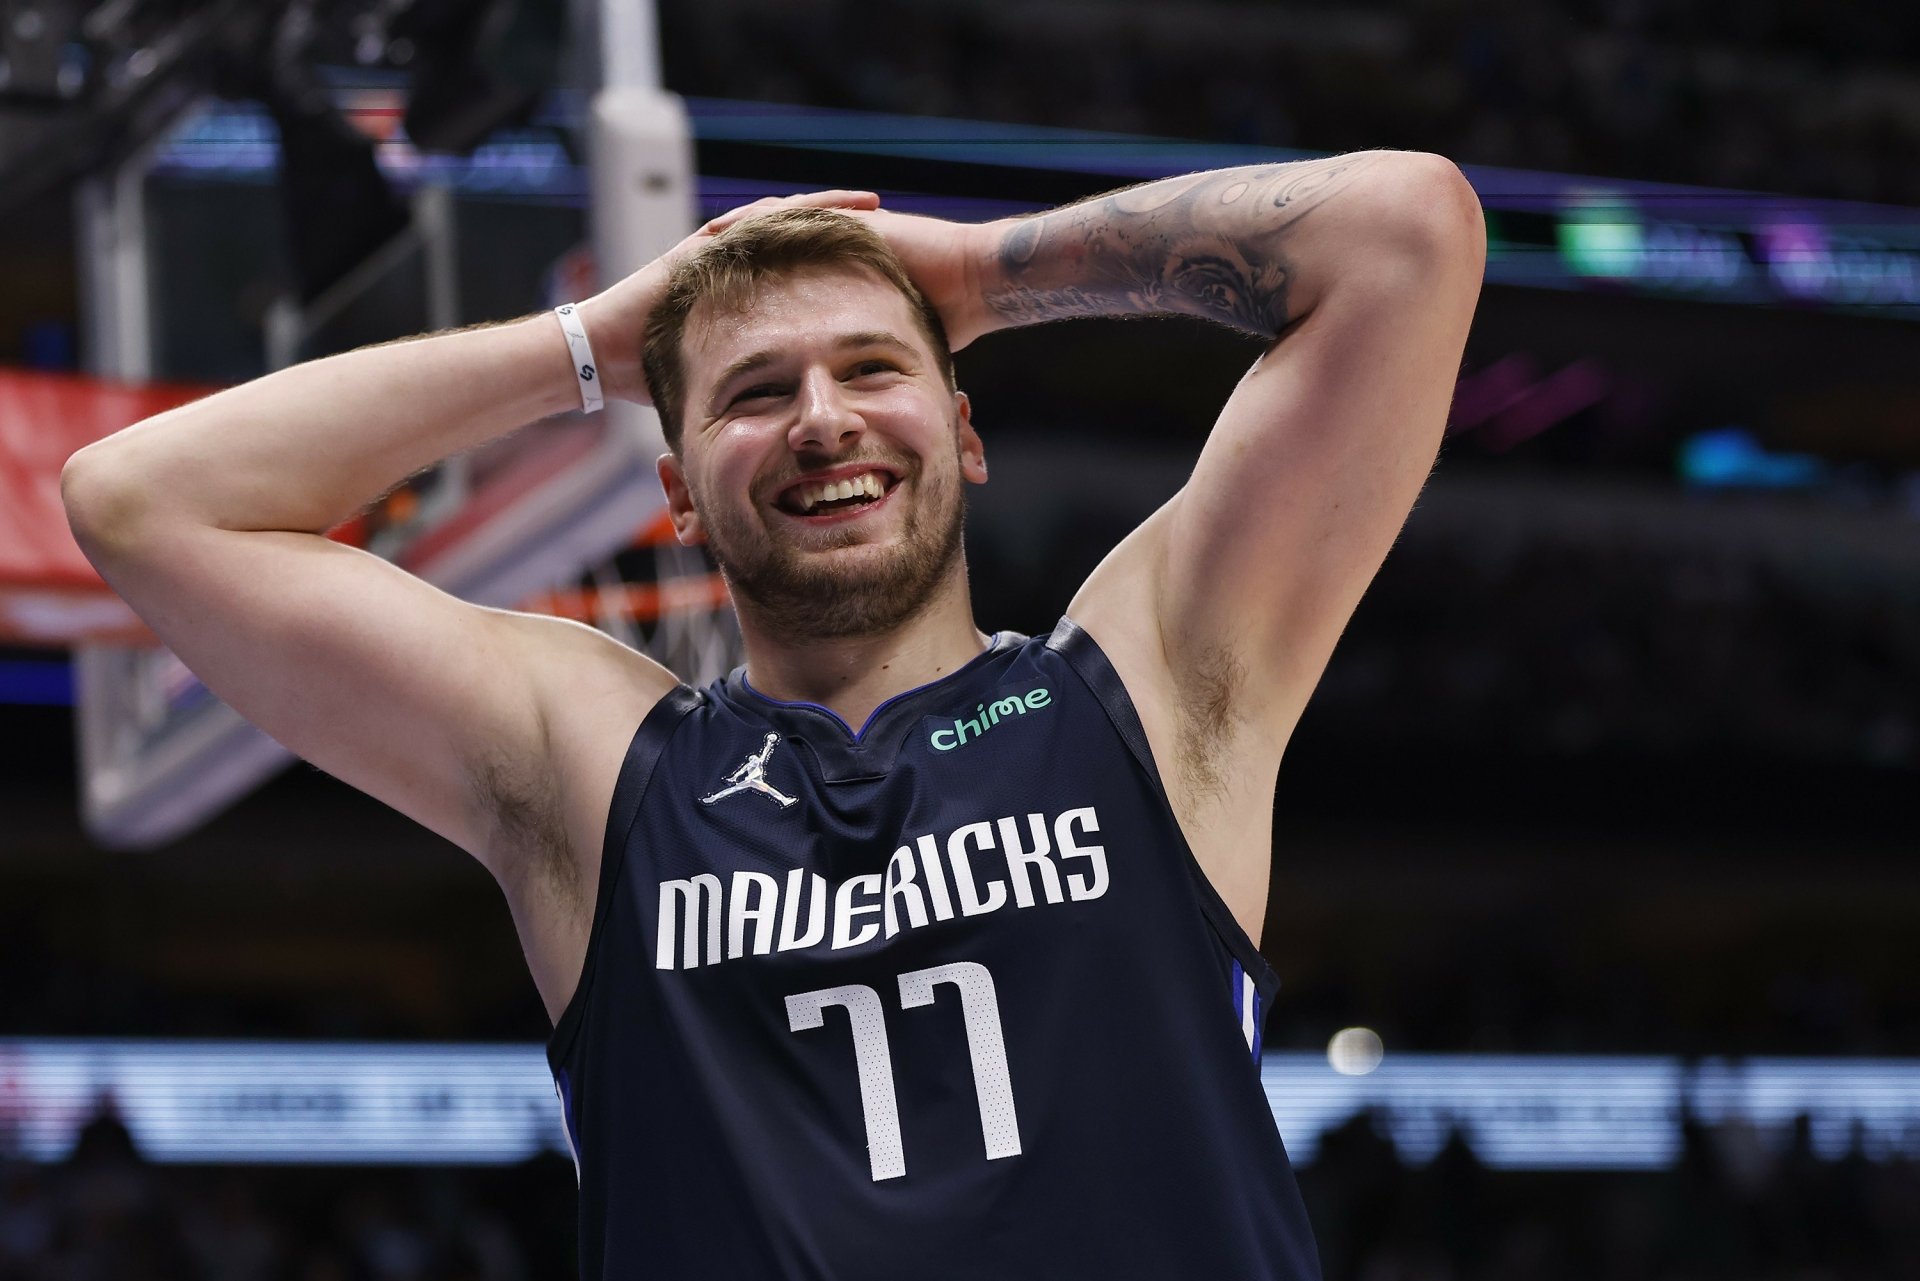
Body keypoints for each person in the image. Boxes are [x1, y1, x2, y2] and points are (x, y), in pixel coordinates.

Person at [62, 152, 1485, 1277]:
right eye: (753, 392)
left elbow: (1405, 232)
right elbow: (139, 502)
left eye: (873, 366)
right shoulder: (598, 769)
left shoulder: (1155, 685)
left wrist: (986, 271)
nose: (821, 417)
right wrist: (597, 344)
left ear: (966, 431)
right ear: (675, 491)